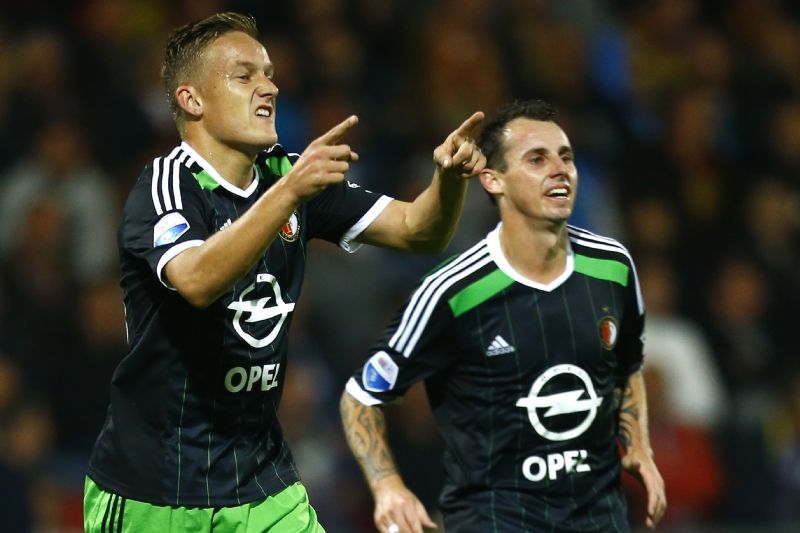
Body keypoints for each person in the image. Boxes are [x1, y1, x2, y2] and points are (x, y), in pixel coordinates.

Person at [83, 12, 485, 533]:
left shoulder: (288, 175)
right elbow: (197, 280)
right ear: (192, 100)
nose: (269, 87)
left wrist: (448, 181)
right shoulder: (167, 185)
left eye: (269, 74)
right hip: (155, 491)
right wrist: (291, 193)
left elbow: (417, 230)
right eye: (244, 75)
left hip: (260, 482)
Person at [340, 99, 667, 533]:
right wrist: (388, 486)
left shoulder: (613, 266)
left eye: (566, 157)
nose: (560, 170)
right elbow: (361, 396)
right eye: (537, 159)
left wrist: (639, 443)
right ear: (493, 180)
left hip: (600, 520)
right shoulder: (454, 290)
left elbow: (627, 366)